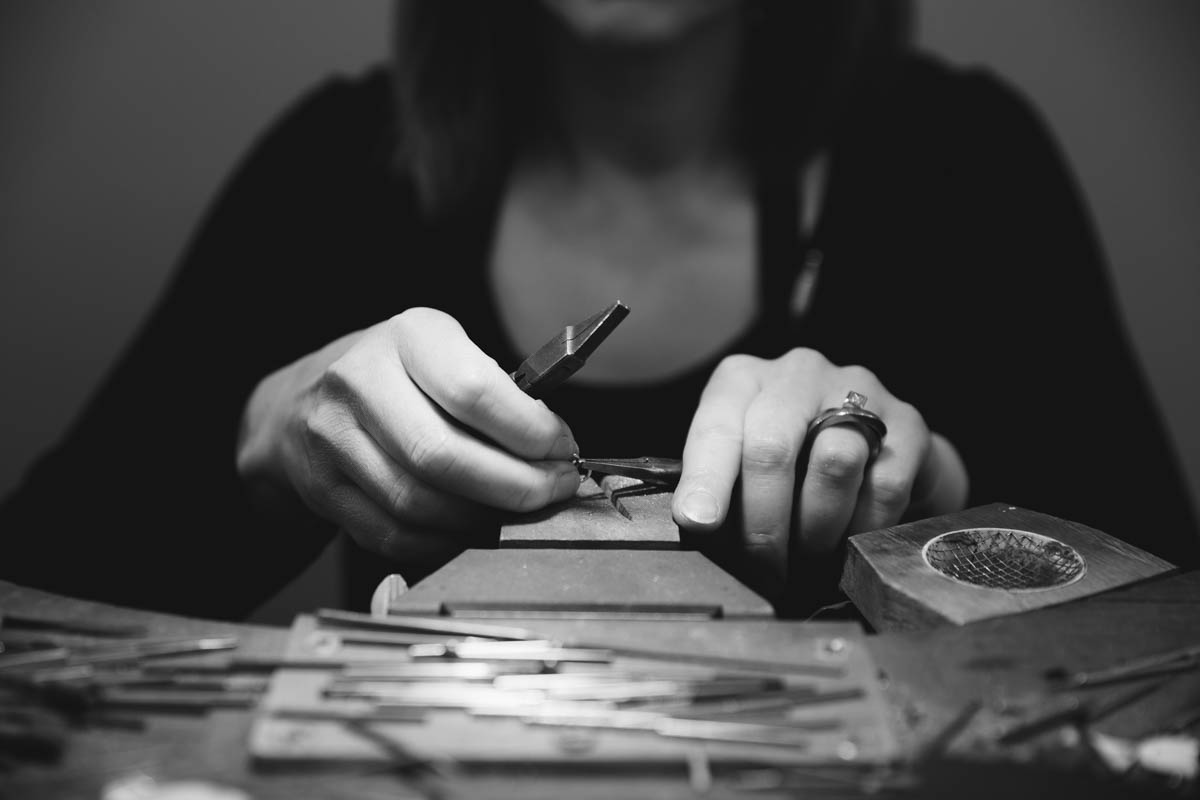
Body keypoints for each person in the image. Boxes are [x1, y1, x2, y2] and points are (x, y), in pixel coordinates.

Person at [1, 0, 1195, 619]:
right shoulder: (335, 172)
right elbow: (44, 582)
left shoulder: (965, 168)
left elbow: (1165, 629)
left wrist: (938, 517)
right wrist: (266, 442)